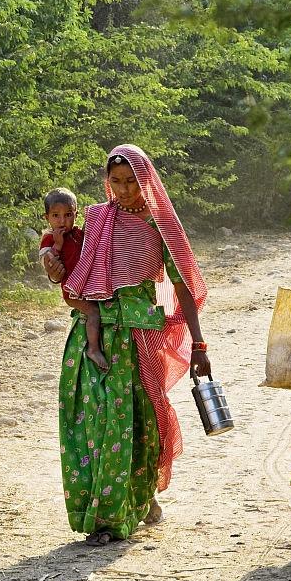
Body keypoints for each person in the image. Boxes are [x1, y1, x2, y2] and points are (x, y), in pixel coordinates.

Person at [42, 144, 211, 545]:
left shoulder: (160, 224)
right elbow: (74, 273)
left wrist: (199, 344)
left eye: (130, 181)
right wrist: (52, 268)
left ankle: (137, 498)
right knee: (89, 422)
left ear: (145, 179)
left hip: (138, 335)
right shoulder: (97, 220)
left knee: (139, 419)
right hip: (93, 331)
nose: (122, 189)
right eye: (115, 181)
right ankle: (101, 516)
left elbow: (182, 286)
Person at [40, 187, 108, 371]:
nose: (62, 221)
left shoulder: (78, 234)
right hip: (72, 292)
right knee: (93, 312)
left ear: (76, 214)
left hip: (89, 286)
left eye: (68, 214)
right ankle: (93, 350)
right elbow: (49, 263)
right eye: (56, 215)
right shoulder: (48, 239)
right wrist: (58, 246)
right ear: (47, 218)